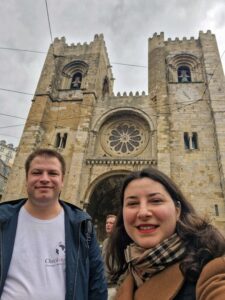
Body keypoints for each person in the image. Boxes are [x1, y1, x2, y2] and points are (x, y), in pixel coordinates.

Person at [0, 148, 107, 300]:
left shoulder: (82, 226)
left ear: (63, 180)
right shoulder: (2, 220)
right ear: (26, 179)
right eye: (37, 172)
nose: (44, 179)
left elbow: (97, 285)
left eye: (53, 173)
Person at [106, 168, 225, 300]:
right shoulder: (129, 276)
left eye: (156, 201)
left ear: (177, 210)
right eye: (132, 203)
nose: (143, 212)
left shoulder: (212, 267)